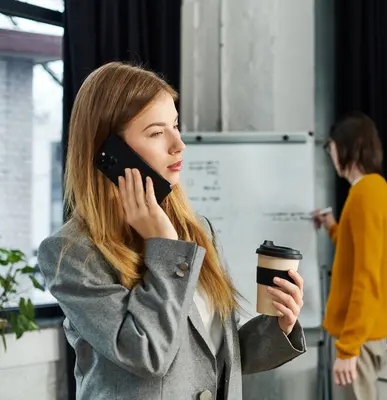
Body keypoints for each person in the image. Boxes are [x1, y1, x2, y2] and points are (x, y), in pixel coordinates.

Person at [37, 62, 306, 400]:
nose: (179, 144)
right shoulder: (71, 253)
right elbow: (146, 354)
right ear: (109, 153)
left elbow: (215, 355)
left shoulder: (196, 231)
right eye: (156, 132)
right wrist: (163, 248)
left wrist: (278, 326)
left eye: (175, 126)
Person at [313, 112, 387, 400]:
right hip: (362, 333)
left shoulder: (367, 195)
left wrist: (348, 347)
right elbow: (358, 254)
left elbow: (367, 276)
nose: (331, 155)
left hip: (358, 339)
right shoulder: (373, 192)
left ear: (347, 147)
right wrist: (332, 226)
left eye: (332, 148)